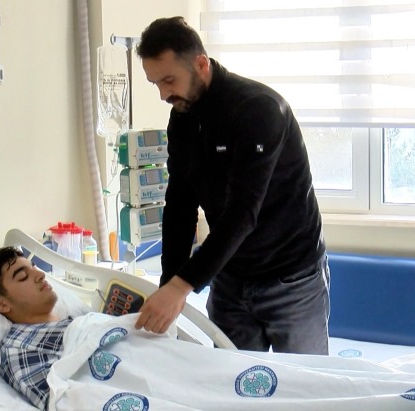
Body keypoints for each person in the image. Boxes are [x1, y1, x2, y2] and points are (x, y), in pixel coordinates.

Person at [133, 16, 330, 355]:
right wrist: (168, 284)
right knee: (232, 381)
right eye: (156, 84)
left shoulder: (259, 110)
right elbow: (179, 206)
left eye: (169, 80)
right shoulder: (182, 119)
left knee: (303, 382)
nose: (164, 94)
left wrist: (181, 286)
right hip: (230, 279)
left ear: (201, 64)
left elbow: (242, 214)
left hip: (291, 279)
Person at [0, 246, 69, 409]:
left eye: (34, 267)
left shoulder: (78, 323)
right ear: (1, 304)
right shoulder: (20, 348)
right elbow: (66, 401)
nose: (41, 274)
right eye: (23, 276)